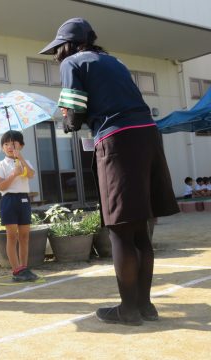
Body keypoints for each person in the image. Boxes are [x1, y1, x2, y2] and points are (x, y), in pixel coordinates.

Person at [40, 18, 180, 325]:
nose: (55, 56)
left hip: (119, 140)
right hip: (148, 135)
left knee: (119, 229)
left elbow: (74, 115)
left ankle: (128, 310)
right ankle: (144, 305)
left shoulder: (73, 63)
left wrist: (67, 120)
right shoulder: (114, 61)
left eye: (57, 50)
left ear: (69, 45)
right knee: (141, 228)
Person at [0, 130, 38, 282]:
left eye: (13, 144)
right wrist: (13, 174)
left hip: (24, 199)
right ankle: (16, 270)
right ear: (2, 147)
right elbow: (2, 187)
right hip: (9, 200)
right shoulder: (0, 165)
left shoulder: (25, 161)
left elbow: (31, 174)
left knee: (25, 236)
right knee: (12, 236)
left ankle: (24, 268)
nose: (9, 147)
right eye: (6, 144)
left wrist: (21, 159)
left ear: (21, 145)